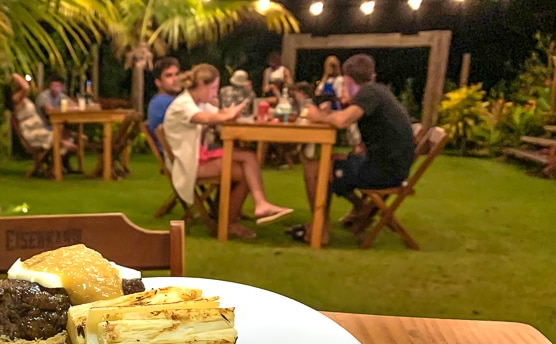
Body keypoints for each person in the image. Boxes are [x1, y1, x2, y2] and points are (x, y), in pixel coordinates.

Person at [290, 54, 416, 246]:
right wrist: (332, 112)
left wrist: (318, 116)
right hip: (390, 166)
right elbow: (345, 115)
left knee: (314, 168)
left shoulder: (369, 93)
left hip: (385, 172)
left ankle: (319, 230)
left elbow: (342, 121)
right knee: (330, 161)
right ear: (371, 74)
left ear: (347, 79)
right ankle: (342, 216)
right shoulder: (376, 91)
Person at [163, 64, 292, 239]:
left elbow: (218, 113)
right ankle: (231, 221)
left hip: (198, 156)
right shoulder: (183, 104)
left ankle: (258, 205)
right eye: (213, 88)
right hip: (187, 165)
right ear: (201, 84)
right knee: (247, 173)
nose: (215, 92)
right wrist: (226, 115)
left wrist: (230, 112)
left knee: (249, 158)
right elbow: (205, 118)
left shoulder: (198, 102)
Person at [4, 73, 77, 154]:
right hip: (31, 132)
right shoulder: (16, 99)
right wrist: (14, 75)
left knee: (61, 129)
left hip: (38, 128)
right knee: (57, 134)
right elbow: (26, 88)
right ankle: (62, 148)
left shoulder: (23, 98)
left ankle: (62, 150)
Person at [146, 57, 181, 153]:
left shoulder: (166, 101)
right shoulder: (162, 102)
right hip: (175, 154)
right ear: (158, 82)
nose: (175, 79)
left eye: (177, 74)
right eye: (169, 76)